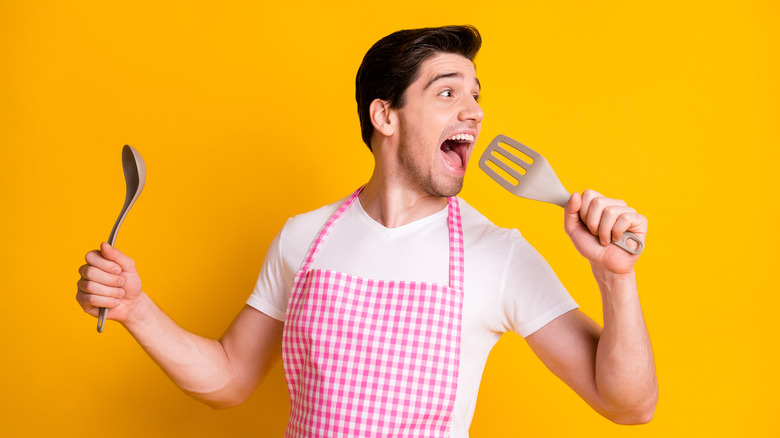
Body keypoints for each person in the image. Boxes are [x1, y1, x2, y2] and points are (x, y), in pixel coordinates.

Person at [76, 25, 657, 437]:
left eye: (477, 96)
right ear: (385, 116)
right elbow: (229, 378)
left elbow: (628, 405)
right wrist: (136, 308)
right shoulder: (303, 237)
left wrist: (615, 279)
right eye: (448, 92)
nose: (475, 112)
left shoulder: (497, 254)